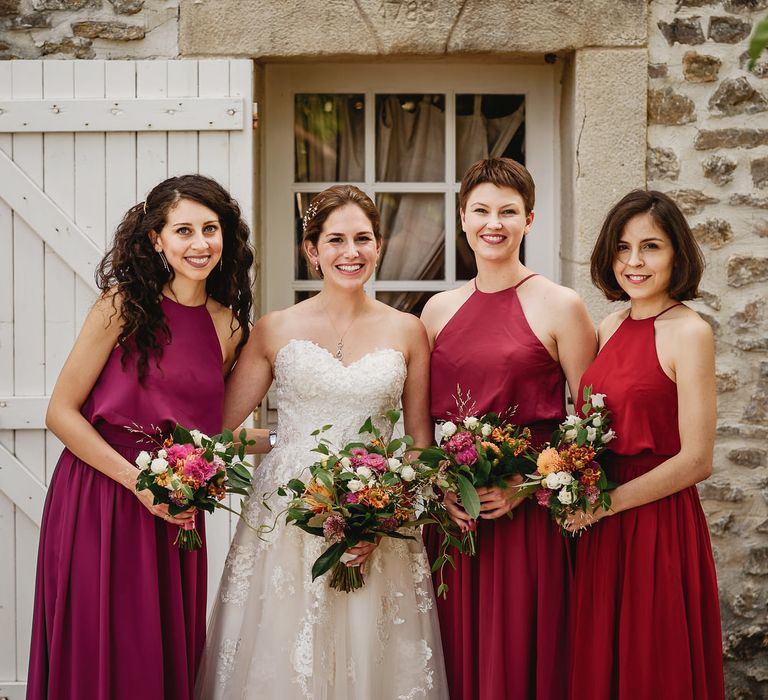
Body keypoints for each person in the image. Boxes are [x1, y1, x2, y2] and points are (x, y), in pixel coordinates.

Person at [195, 185, 449, 699]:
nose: (350, 252)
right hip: (287, 518)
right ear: (312, 250)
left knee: (369, 649)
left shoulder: (408, 331)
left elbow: (421, 445)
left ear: (379, 246)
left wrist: (389, 511)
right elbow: (219, 428)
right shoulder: (273, 329)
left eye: (362, 239)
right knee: (286, 649)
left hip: (378, 509)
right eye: (335, 240)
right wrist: (281, 443)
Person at [27, 175, 255, 700]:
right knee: (98, 643)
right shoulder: (121, 306)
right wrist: (138, 483)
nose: (200, 244)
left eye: (211, 229)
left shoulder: (228, 327)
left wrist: (287, 445)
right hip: (101, 494)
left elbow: (208, 430)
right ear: (156, 239)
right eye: (184, 231)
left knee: (160, 653)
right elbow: (61, 413)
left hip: (174, 508)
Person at [420, 157, 597, 699]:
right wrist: (440, 486)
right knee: (452, 653)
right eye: (481, 210)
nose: (493, 223)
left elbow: (590, 423)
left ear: (530, 219)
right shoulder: (436, 311)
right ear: (462, 217)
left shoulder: (562, 305)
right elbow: (422, 420)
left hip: (526, 519)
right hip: (453, 520)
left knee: (523, 656)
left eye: (508, 211)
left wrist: (526, 488)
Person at [565, 190, 724, 699]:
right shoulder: (609, 325)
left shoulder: (689, 332)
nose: (634, 262)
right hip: (601, 523)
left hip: (655, 522)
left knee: (651, 663)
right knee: (603, 663)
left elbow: (697, 459)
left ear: (676, 254)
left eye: (650, 247)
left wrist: (605, 504)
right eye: (622, 248)